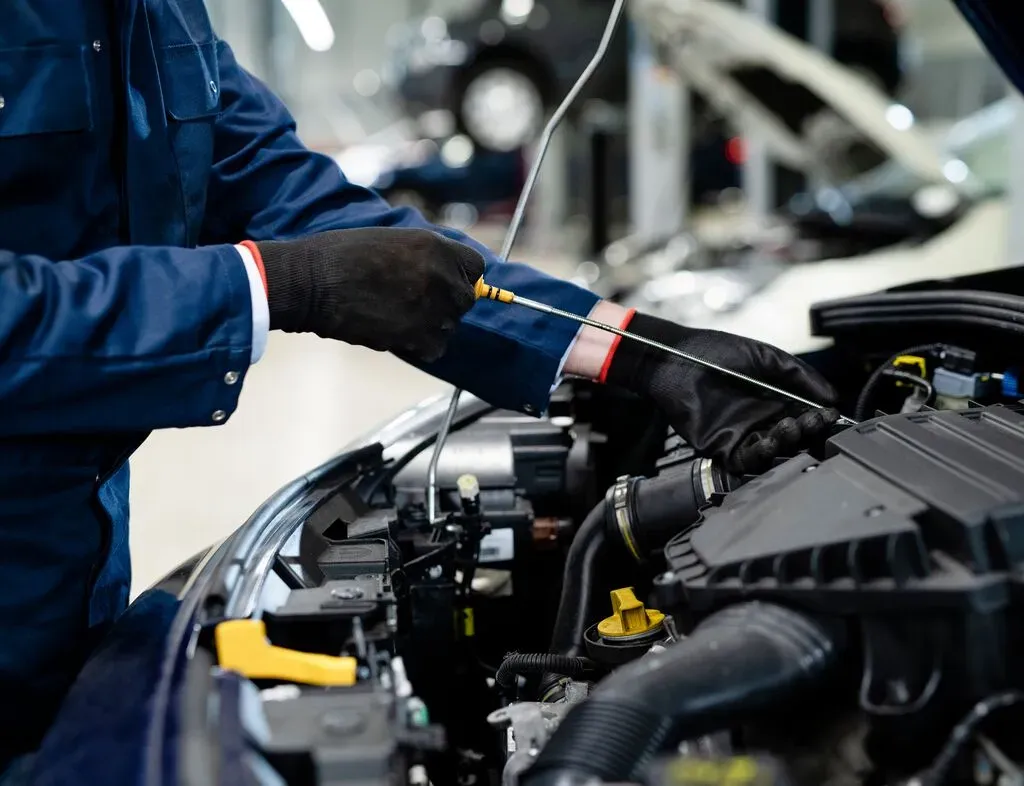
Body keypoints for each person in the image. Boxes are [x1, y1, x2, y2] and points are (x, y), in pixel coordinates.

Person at [0, 1, 837, 778]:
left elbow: (290, 194)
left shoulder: (157, 12)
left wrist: (637, 351)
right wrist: (272, 287)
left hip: (67, 553)